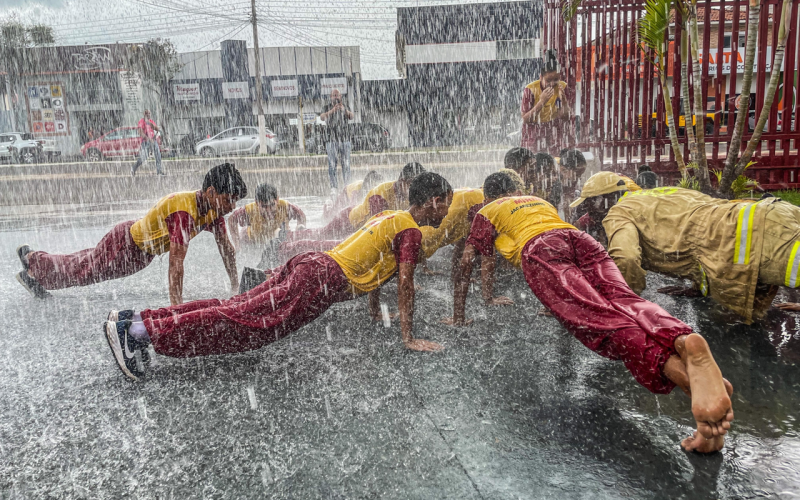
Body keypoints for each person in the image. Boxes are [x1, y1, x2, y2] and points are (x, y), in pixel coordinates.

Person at [445, 172, 734, 453]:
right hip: (581, 240)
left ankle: (695, 387)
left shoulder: (488, 210)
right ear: (514, 190)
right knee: (625, 300)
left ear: (488, 195)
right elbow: (557, 234)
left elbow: (467, 263)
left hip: (542, 250)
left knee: (605, 323)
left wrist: (458, 315)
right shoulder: (535, 200)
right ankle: (682, 339)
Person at [102, 172, 454, 381]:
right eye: (447, 204)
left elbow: (378, 263)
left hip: (311, 264)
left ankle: (137, 321)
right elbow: (404, 281)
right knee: (244, 324)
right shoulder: (412, 233)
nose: (448, 212)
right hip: (321, 280)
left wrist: (375, 308)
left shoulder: (392, 217)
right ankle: (140, 332)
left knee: (236, 307)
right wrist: (408, 337)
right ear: (435, 201)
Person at [16, 163, 246, 305]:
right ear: (211, 191)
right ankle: (35, 272)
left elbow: (226, 249)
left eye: (235, 201)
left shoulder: (212, 212)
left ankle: (34, 260)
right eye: (229, 199)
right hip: (126, 245)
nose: (232, 207)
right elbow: (176, 264)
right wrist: (177, 310)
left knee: (85, 262)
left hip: (138, 253)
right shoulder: (184, 212)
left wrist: (235, 286)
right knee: (84, 271)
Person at [579, 183, 800, 324]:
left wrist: (618, 304)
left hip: (753, 237)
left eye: (589, 206)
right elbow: (696, 228)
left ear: (601, 202)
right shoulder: (660, 193)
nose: (590, 214)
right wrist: (698, 284)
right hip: (772, 213)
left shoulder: (619, 212)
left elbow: (625, 259)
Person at [289, 162, 426, 242]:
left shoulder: (409, 196)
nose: (416, 191)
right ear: (402, 182)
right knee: (321, 235)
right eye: (412, 185)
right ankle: (293, 235)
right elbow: (376, 232)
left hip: (356, 219)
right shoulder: (380, 196)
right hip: (347, 220)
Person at [521, 49, 573, 155]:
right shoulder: (531, 89)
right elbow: (526, 119)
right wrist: (541, 102)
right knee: (532, 160)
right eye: (548, 80)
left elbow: (565, 117)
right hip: (533, 129)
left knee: (556, 158)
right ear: (541, 77)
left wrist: (563, 101)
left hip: (553, 128)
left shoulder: (561, 87)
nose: (552, 84)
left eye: (556, 79)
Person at [228, 183, 306, 249]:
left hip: (279, 239)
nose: (269, 211)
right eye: (264, 206)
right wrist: (237, 245)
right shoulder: (250, 210)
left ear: (277, 199)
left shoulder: (285, 207)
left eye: (272, 205)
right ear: (257, 203)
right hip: (253, 242)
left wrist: (299, 228)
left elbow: (301, 215)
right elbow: (232, 219)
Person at [570, 171, 632, 245]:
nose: (588, 210)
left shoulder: (627, 222)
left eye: (589, 203)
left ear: (607, 200)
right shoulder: (601, 214)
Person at [320, 89, 354, 193]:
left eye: (337, 95)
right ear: (330, 97)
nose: (336, 97)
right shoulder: (327, 107)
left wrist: (344, 110)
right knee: (332, 165)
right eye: (334, 95)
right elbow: (322, 117)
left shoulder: (345, 106)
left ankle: (347, 186)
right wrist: (332, 110)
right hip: (331, 140)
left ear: (340, 96)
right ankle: (334, 187)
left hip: (345, 139)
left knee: (346, 164)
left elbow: (352, 116)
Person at [131, 109, 164, 176]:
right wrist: (148, 139)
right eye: (147, 113)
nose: (148, 115)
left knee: (158, 155)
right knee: (144, 157)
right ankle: (134, 168)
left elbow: (157, 129)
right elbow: (141, 132)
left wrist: (152, 125)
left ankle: (159, 171)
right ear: (144, 114)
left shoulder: (151, 121)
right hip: (145, 142)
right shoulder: (141, 121)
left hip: (153, 141)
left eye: (149, 113)